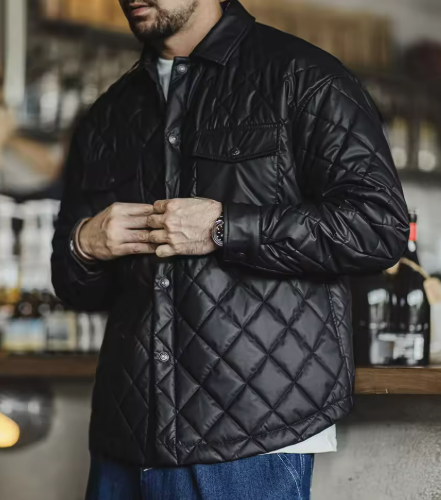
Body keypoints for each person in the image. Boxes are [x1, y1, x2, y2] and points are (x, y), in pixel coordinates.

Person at [51, 1, 409, 499]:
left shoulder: (302, 76)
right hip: (125, 436)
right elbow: (75, 288)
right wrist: (83, 245)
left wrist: (225, 226)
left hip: (252, 435)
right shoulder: (109, 114)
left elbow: (377, 227)